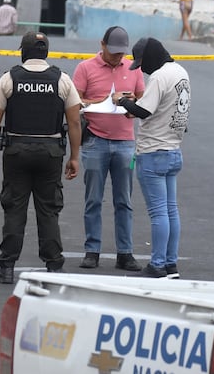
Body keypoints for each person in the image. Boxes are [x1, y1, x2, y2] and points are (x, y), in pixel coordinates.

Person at [0, 31, 82, 284]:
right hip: (50, 153)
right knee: (48, 210)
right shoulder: (62, 80)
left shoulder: (9, 78)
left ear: (23, 51)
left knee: (14, 208)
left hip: (16, 152)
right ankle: (54, 267)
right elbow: (74, 122)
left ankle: (6, 268)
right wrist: (74, 157)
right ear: (46, 52)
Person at [112, 37, 190, 279]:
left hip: (153, 152)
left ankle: (156, 265)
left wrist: (122, 101)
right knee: (170, 211)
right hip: (174, 151)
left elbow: (143, 111)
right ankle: (170, 263)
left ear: (151, 57)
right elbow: (160, 106)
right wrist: (134, 104)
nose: (142, 69)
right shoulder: (180, 72)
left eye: (142, 63)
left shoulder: (158, 76)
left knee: (158, 213)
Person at [73, 26, 146, 272]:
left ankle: (125, 252)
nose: (117, 58)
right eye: (112, 52)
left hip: (125, 141)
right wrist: (101, 102)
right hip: (95, 140)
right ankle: (92, 250)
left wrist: (129, 101)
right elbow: (74, 101)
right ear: (102, 44)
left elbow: (144, 101)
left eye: (120, 54)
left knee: (124, 200)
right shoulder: (85, 68)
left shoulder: (133, 69)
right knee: (93, 198)